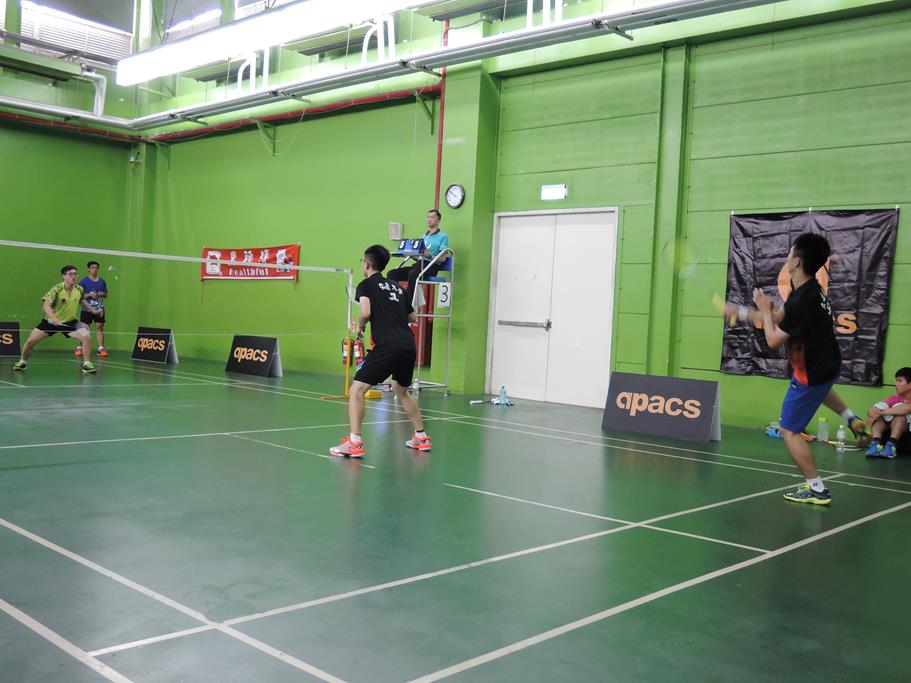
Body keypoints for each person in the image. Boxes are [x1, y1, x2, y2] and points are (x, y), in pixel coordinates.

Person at [725, 233, 843, 505]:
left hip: (810, 372)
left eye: (790, 253)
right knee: (820, 394)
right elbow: (780, 317)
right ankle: (850, 417)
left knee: (789, 430)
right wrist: (741, 312)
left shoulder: (802, 300)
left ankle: (817, 489)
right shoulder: (808, 289)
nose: (787, 257)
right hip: (828, 364)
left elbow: (772, 339)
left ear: (797, 261)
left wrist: (764, 310)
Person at [330, 245, 432, 458]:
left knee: (357, 390)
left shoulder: (365, 285)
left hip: (387, 345)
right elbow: (412, 317)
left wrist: (360, 327)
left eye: (362, 262)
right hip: (408, 345)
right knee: (400, 390)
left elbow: (365, 312)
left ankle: (355, 442)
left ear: (367, 264)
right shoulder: (396, 287)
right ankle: (421, 437)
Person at [13, 265, 100, 374]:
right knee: (30, 341)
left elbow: (81, 300)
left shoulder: (79, 289)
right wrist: (53, 318)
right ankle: (22, 362)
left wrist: (93, 311)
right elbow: (46, 305)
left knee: (86, 336)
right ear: (64, 276)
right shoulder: (57, 289)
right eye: (70, 274)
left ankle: (87, 364)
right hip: (50, 322)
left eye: (75, 274)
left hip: (70, 322)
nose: (73, 276)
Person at [387, 209, 449, 305]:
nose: (429, 219)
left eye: (432, 217)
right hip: (419, 265)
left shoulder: (443, 236)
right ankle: (396, 301)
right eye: (428, 217)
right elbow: (419, 256)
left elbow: (443, 259)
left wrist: (429, 256)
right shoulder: (423, 237)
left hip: (431, 266)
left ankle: (408, 305)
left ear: (438, 220)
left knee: (413, 273)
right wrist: (410, 255)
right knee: (392, 274)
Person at [864, 367, 911, 459]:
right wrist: (873, 412)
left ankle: (891, 446)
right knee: (878, 417)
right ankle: (876, 445)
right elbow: (872, 411)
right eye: (896, 381)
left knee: (900, 416)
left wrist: (881, 412)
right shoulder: (893, 398)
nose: (896, 384)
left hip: (907, 441)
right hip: (887, 441)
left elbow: (907, 408)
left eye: (900, 381)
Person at [76, 260, 109, 358]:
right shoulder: (83, 281)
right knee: (84, 329)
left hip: (99, 308)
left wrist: (101, 294)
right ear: (88, 269)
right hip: (86, 309)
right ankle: (79, 348)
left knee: (99, 327)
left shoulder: (102, 281)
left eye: (96, 268)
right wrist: (89, 295)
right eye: (92, 268)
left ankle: (101, 349)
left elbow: (106, 294)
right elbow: (78, 296)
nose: (94, 269)